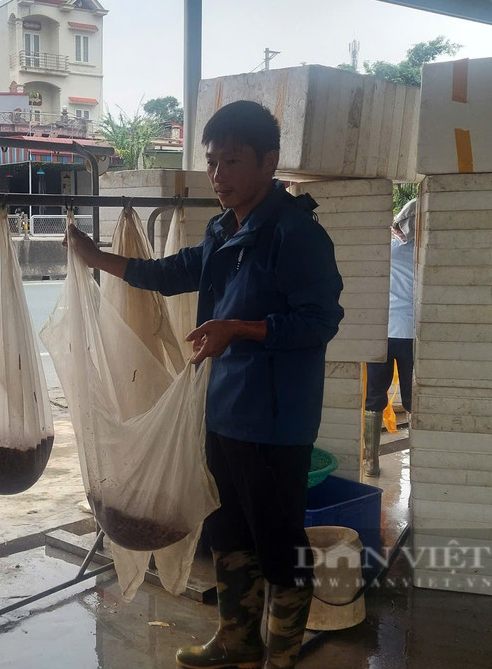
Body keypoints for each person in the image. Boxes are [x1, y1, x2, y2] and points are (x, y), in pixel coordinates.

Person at [64, 100, 344, 669]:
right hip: (222, 412)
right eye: (212, 162)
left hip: (274, 420)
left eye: (231, 162)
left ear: (269, 161)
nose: (218, 175)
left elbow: (320, 323)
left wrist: (237, 328)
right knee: (227, 529)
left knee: (279, 542)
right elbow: (172, 273)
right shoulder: (224, 229)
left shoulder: (296, 236)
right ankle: (236, 637)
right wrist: (99, 259)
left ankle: (282, 656)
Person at [362, 197, 416, 477]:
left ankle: (371, 462)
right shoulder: (426, 253)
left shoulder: (386, 249)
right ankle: (418, 461)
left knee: (374, 397)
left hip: (381, 332)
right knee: (413, 399)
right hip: (413, 334)